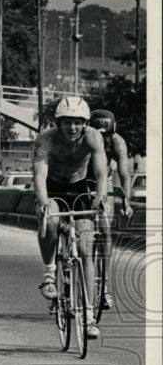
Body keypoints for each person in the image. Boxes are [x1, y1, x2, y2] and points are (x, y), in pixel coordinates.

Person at [33, 97, 109, 339]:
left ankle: (88, 316)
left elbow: (101, 173)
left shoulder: (93, 138)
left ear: (85, 123)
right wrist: (44, 202)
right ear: (59, 123)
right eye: (67, 123)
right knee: (51, 220)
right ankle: (48, 274)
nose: (72, 128)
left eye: (77, 123)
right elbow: (39, 174)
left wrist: (100, 198)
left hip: (79, 189)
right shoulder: (46, 139)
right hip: (52, 188)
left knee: (86, 247)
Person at [88, 109, 134, 310]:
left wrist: (126, 200)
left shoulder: (118, 143)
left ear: (112, 133)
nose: (102, 140)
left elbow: (124, 174)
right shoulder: (84, 137)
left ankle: (104, 286)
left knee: (106, 229)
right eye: (98, 135)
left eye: (105, 136)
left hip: (103, 180)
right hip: (80, 178)